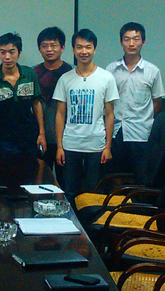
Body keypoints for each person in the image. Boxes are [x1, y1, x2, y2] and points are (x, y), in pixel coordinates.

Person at [54, 29, 119, 201]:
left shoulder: (106, 78)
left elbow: (110, 114)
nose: (84, 51)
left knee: (94, 193)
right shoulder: (65, 79)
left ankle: (93, 220)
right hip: (70, 144)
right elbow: (60, 114)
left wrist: (108, 147)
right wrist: (59, 147)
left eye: (88, 47)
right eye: (79, 47)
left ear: (94, 49)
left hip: (96, 145)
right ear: (73, 50)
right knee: (70, 192)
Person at [105, 22, 165, 183]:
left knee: (140, 179)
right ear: (121, 42)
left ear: (143, 42)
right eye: (127, 39)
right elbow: (106, 102)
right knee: (114, 177)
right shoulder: (111, 69)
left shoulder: (152, 71)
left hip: (141, 134)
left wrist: (144, 118)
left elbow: (157, 101)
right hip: (115, 132)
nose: (131, 43)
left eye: (136, 39)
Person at [0, 33, 47, 157]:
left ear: (19, 53)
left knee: (32, 168)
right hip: (4, 139)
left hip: (30, 137)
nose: (7, 57)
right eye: (3, 52)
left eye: (12, 52)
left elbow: (36, 104)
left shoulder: (29, 74)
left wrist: (41, 133)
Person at [33, 27, 73, 179]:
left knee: (66, 181)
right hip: (40, 137)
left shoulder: (71, 73)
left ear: (62, 47)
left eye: (53, 45)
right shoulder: (33, 73)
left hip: (66, 138)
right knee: (40, 179)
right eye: (44, 46)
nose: (49, 49)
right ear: (39, 49)